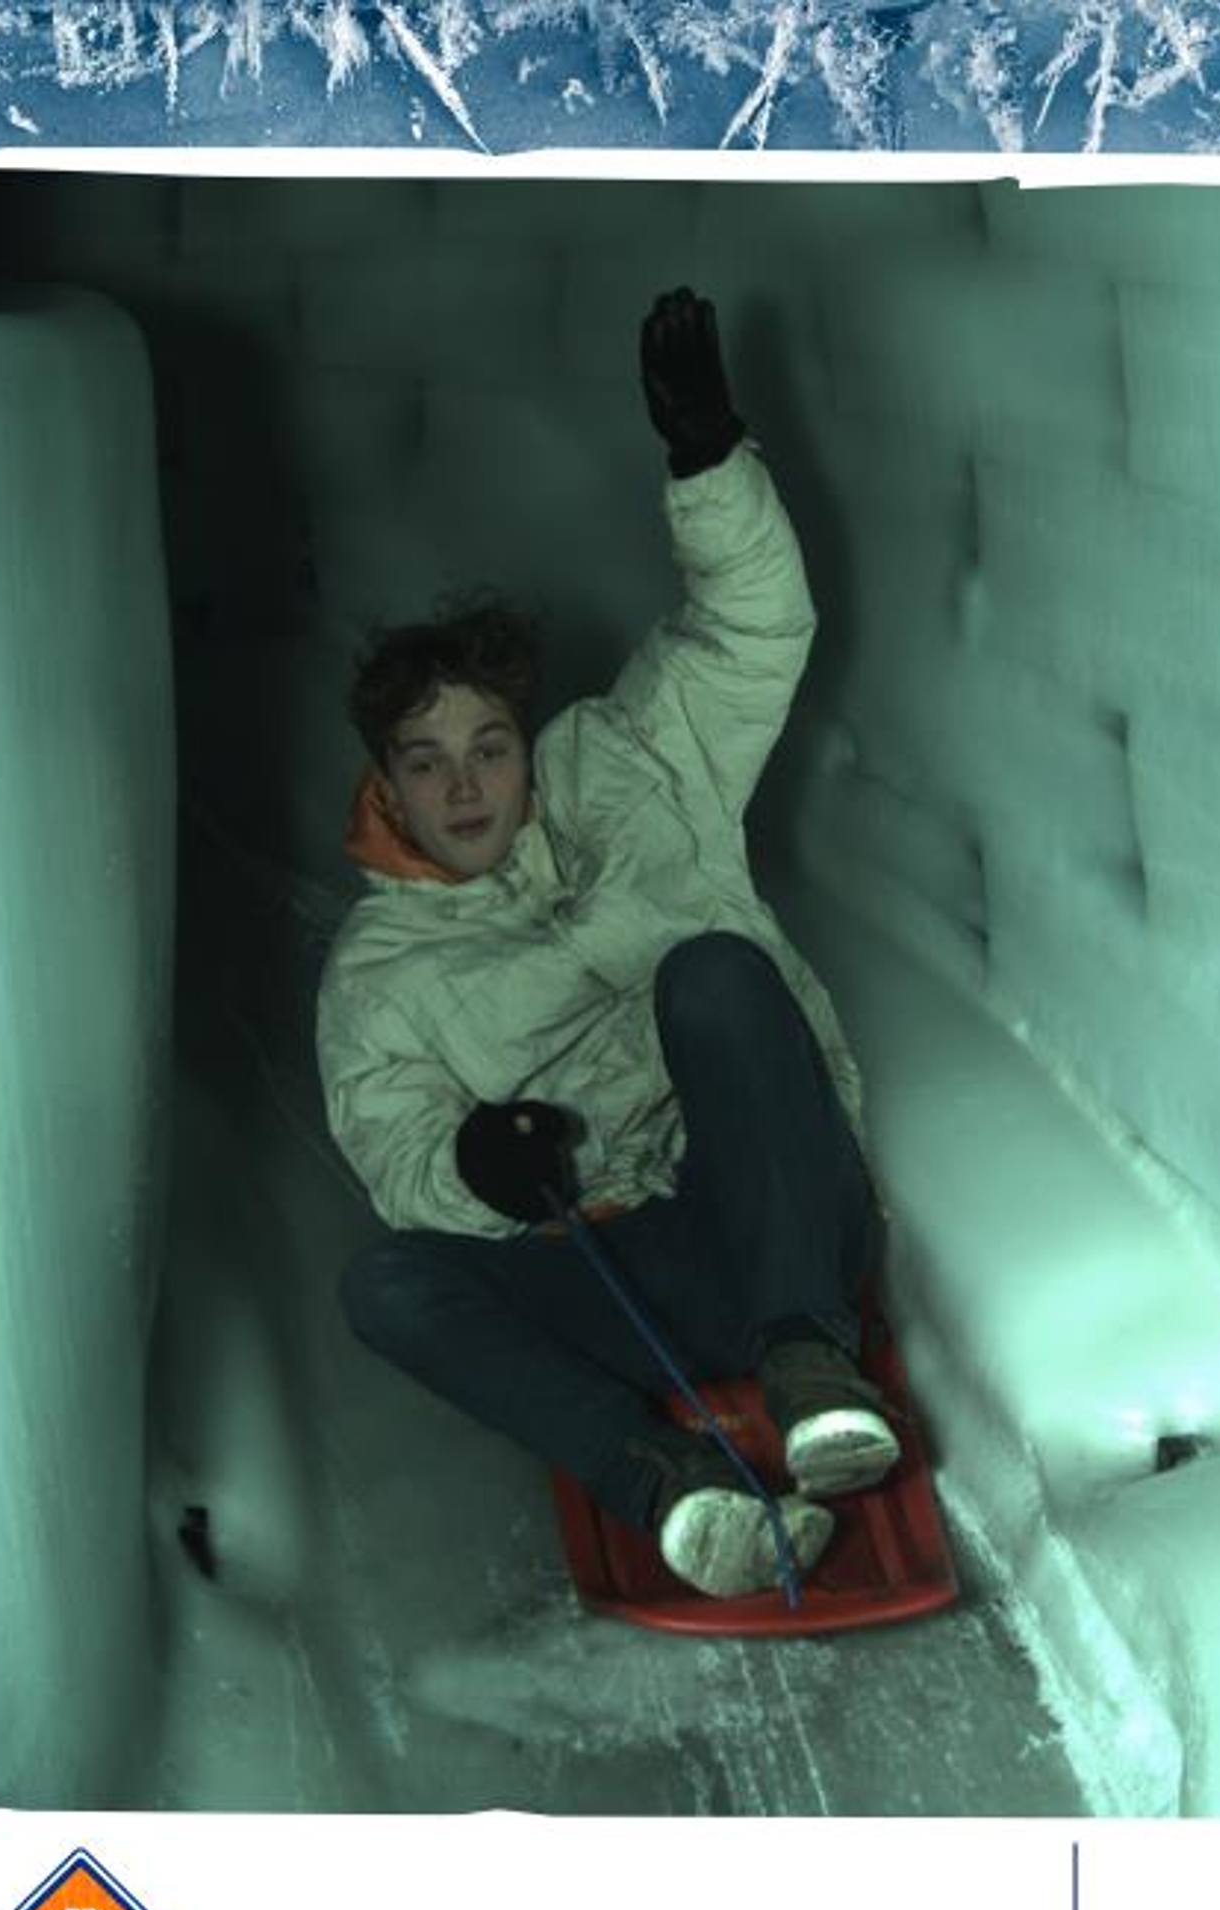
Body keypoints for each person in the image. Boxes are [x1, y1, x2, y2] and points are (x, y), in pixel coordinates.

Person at [317, 288, 898, 1601]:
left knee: (714, 972)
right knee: (387, 1286)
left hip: (774, 1219)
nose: (466, 787)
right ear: (386, 784)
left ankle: (812, 1362)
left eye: (488, 748)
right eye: (428, 763)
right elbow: (397, 1153)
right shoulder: (377, 975)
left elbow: (753, 629)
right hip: (619, 1276)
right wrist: (477, 1168)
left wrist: (709, 463)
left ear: (527, 744)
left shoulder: (630, 771)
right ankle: (666, 1486)